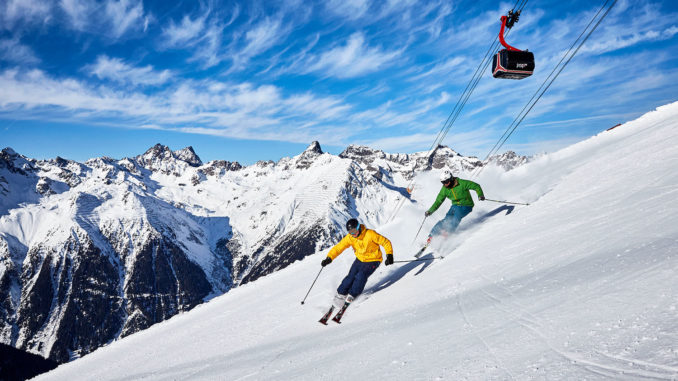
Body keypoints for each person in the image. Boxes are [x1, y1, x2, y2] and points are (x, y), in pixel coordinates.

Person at [321, 218, 394, 311]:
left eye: (354, 231)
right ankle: (341, 294)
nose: (353, 234)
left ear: (359, 227)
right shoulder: (350, 237)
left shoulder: (370, 234)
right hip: (359, 260)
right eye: (351, 232)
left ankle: (352, 294)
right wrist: (329, 257)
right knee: (350, 277)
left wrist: (389, 255)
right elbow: (339, 247)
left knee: (361, 276)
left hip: (373, 260)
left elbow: (385, 242)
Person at [424, 169, 485, 243]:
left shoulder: (462, 183)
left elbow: (476, 186)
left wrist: (480, 195)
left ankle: (448, 234)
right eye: (443, 182)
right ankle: (432, 236)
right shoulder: (445, 189)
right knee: (446, 219)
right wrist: (430, 211)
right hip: (455, 205)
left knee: (456, 216)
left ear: (451, 178)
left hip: (466, 205)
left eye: (446, 182)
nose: (445, 184)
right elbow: (438, 201)